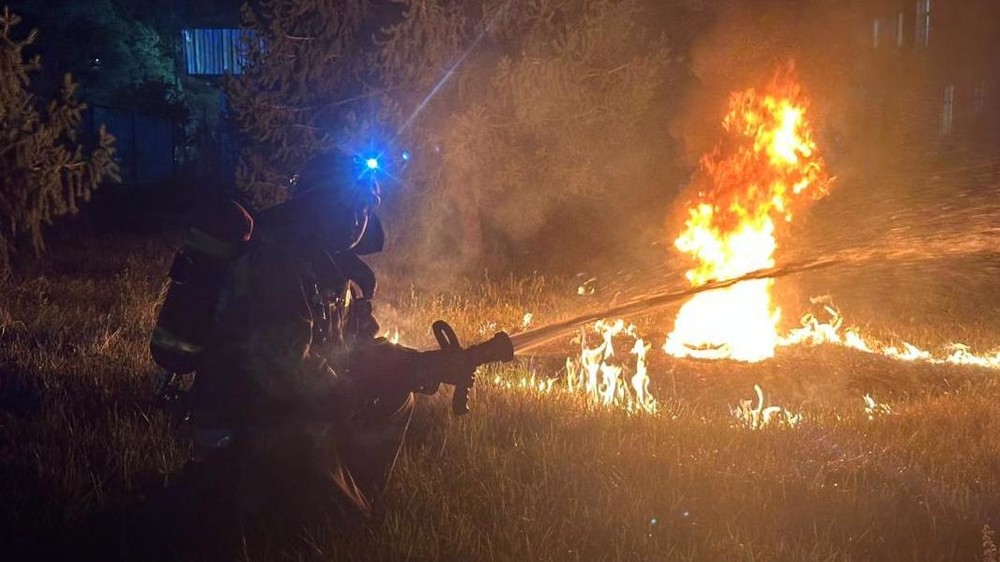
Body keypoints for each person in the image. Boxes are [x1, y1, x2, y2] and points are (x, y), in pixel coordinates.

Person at [159, 152, 465, 553]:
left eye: (365, 208)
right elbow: (282, 368)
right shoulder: (276, 261)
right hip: (244, 418)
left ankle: (347, 491)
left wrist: (415, 364)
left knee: (395, 395)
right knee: (332, 528)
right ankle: (238, 493)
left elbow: (358, 345)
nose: (357, 218)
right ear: (315, 204)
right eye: (347, 204)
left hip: (290, 408)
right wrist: (352, 391)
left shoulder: (334, 267)